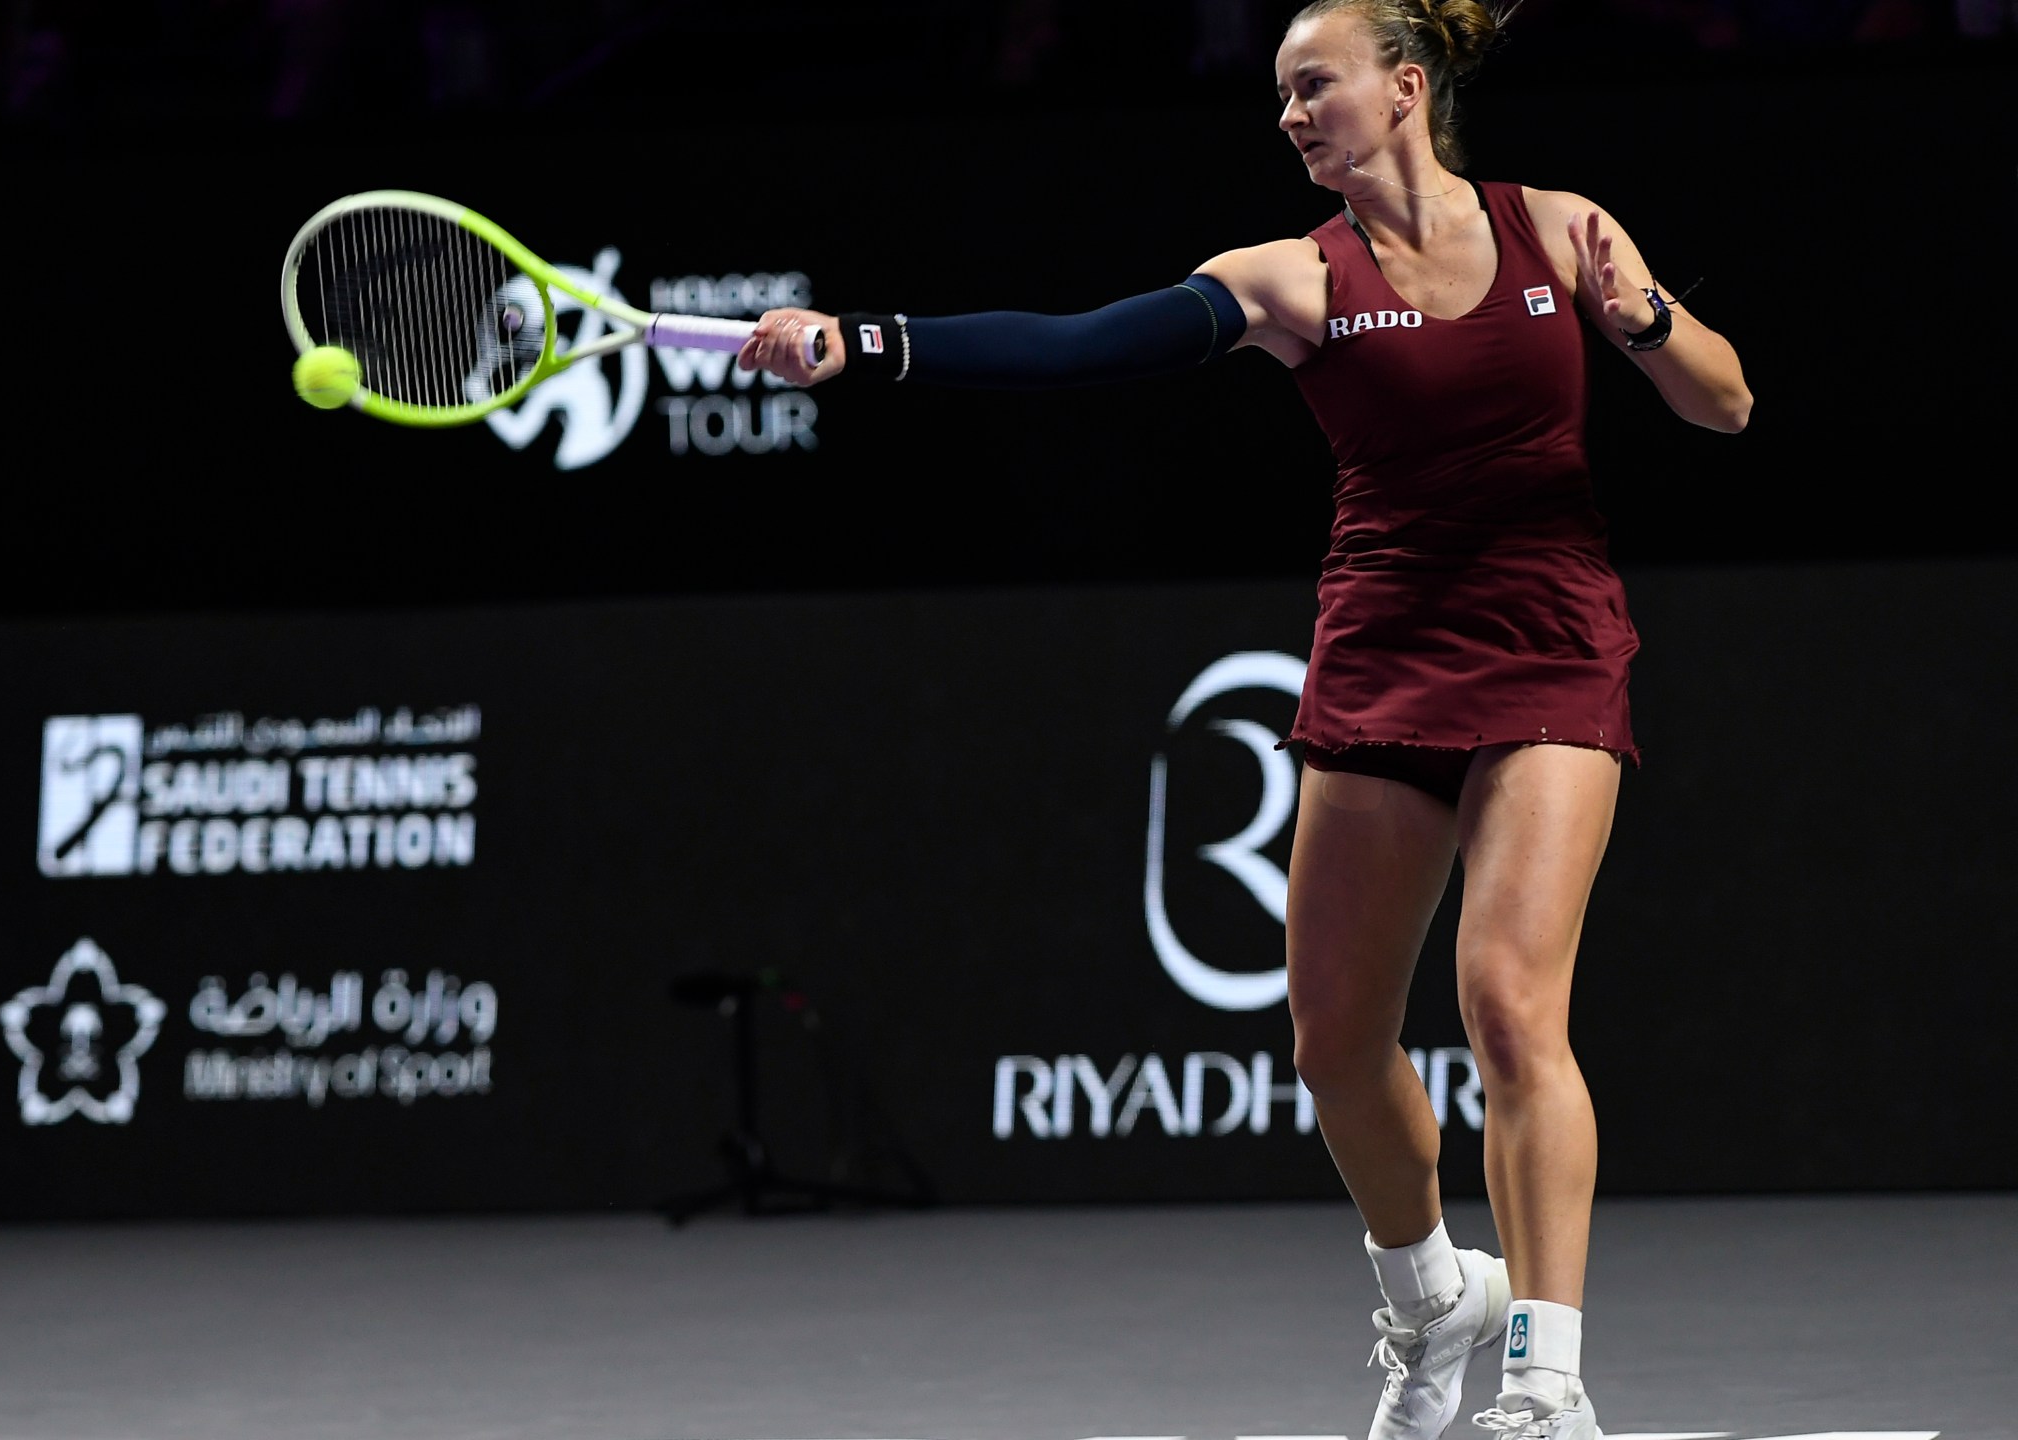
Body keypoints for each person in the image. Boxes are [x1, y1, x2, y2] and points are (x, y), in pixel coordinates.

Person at [741, 2, 1751, 1438]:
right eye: (1279, 96)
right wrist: (870, 343)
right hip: (1384, 656)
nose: (1287, 116)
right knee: (1335, 1041)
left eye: (1312, 88)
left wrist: (1643, 316)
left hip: (1551, 644)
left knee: (1509, 1006)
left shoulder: (1563, 230)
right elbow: (1082, 345)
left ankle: (1543, 1379)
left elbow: (1727, 405)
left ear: (1404, 91)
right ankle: (1427, 1301)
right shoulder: (1292, 280)